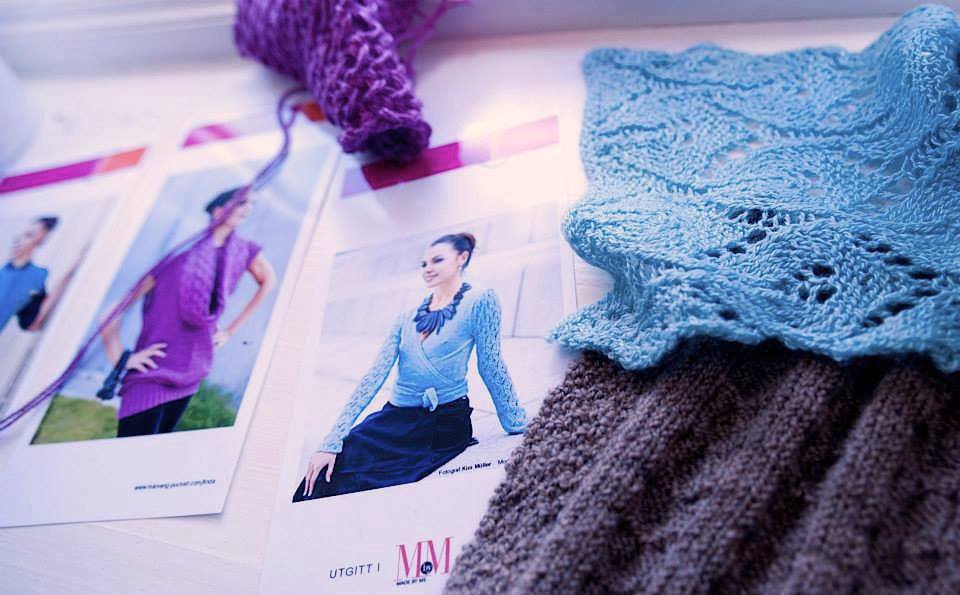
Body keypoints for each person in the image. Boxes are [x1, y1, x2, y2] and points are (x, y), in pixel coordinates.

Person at [294, 232, 528, 501]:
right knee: (327, 474)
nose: (427, 268)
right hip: (395, 418)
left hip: (443, 422)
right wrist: (332, 440)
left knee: (366, 483)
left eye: (437, 260)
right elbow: (375, 375)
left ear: (462, 258)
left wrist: (514, 420)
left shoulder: (481, 300)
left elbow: (490, 363)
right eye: (423, 264)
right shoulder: (405, 318)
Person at [99, 187, 276, 437]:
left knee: (155, 453)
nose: (248, 208)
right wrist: (122, 358)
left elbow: (268, 280)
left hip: (191, 372)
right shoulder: (178, 256)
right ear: (218, 210)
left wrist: (230, 331)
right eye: (242, 202)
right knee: (129, 450)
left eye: (251, 204)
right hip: (151, 375)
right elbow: (111, 314)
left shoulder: (243, 251)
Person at [0, 216, 76, 333]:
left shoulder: (36, 277)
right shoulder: (5, 270)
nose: (18, 240)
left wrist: (65, 278)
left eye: (28, 235)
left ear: (42, 238)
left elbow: (32, 324)